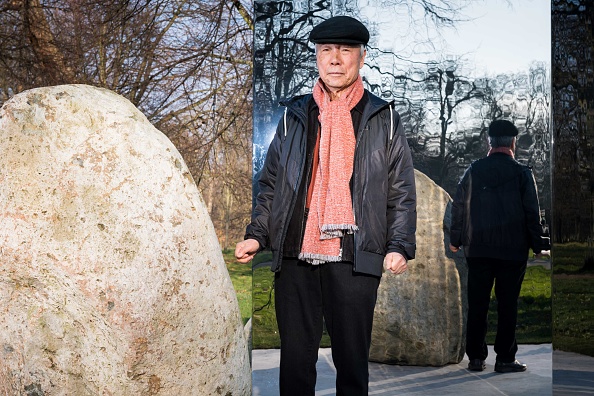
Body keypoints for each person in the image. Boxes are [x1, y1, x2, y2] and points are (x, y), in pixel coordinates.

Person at [235, 15, 416, 396]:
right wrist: (256, 234)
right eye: (326, 50)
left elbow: (400, 189)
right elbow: (270, 184)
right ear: (317, 58)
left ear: (361, 58)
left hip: (354, 254)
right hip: (296, 253)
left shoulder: (383, 118)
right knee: (296, 364)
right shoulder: (294, 116)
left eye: (345, 50)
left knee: (352, 364)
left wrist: (399, 244)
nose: (335, 59)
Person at [449, 119, 550, 374]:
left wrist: (455, 240)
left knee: (478, 303)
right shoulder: (523, 173)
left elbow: (459, 205)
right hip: (512, 252)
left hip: (479, 249)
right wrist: (538, 245)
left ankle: (475, 358)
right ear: (513, 143)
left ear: (489, 142)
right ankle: (505, 359)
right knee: (508, 305)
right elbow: (531, 213)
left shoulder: (473, 170)